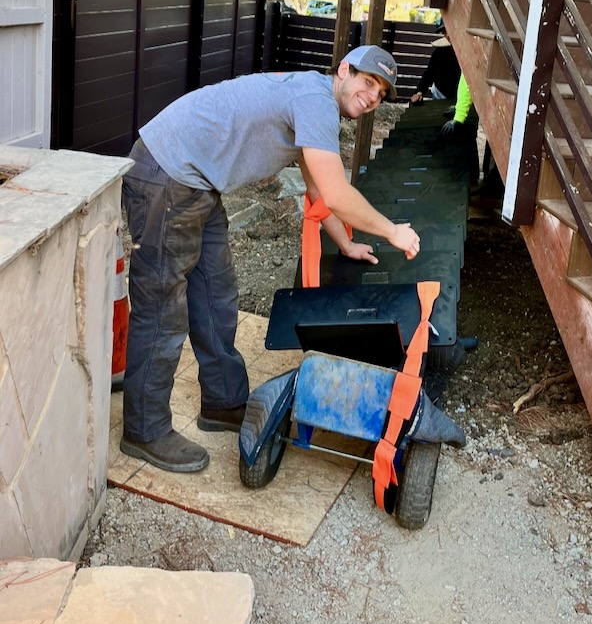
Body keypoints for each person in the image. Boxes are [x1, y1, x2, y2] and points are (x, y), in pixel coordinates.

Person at [120, 45, 420, 474]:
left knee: (216, 293)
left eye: (381, 92)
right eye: (368, 82)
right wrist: (392, 230)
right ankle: (144, 430)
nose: (372, 96)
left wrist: (347, 244)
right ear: (344, 70)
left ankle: (223, 403)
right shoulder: (315, 100)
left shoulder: (315, 102)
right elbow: (336, 193)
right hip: (166, 173)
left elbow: (318, 191)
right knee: (164, 306)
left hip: (197, 183)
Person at [409, 19, 461, 104]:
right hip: (441, 94)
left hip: (462, 97)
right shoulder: (440, 51)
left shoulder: (468, 53)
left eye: (450, 31)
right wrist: (420, 92)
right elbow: (430, 72)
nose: (448, 35)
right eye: (445, 32)